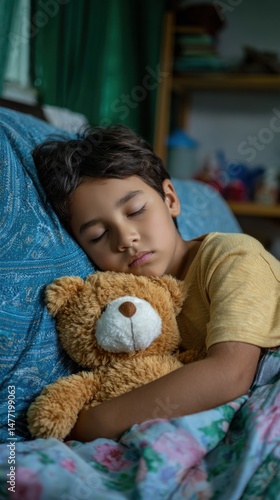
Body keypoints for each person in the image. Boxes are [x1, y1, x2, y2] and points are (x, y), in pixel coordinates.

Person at [32, 124, 280, 442]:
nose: (125, 239)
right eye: (98, 235)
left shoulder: (230, 257)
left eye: (135, 210)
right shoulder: (131, 305)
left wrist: (95, 423)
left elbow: (230, 374)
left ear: (170, 199)